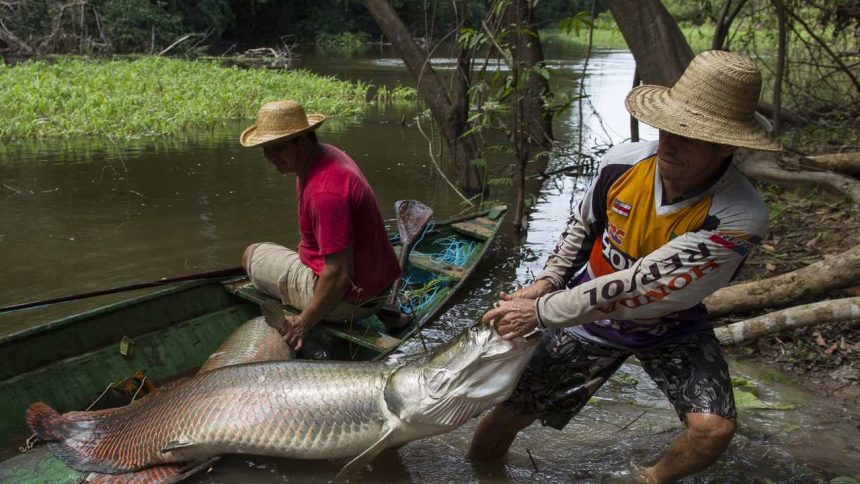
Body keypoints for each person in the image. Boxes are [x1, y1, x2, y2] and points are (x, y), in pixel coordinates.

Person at [467, 50, 783, 483]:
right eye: (668, 128)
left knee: (713, 430)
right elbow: (583, 227)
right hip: (585, 317)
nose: (669, 142)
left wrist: (539, 312)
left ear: (726, 144)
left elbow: (640, 286)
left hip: (670, 324)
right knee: (510, 414)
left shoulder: (737, 217)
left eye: (690, 135)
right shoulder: (624, 162)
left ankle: (646, 480)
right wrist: (546, 281)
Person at [239, 100, 402, 351]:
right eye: (265, 148)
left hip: (347, 301)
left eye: (276, 148)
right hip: (377, 289)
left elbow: (338, 273)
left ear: (302, 141)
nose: (269, 157)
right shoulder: (328, 154)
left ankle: (336, 310)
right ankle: (384, 311)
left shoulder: (324, 193)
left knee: (252, 254)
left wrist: (304, 322)